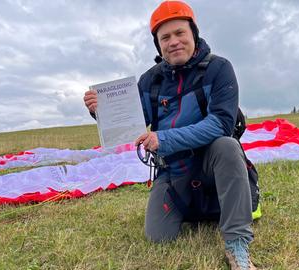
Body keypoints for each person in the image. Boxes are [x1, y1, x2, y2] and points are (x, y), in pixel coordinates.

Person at [84, 1, 256, 269]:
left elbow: (221, 123)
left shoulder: (219, 69)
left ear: (193, 34)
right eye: (165, 37)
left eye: (180, 33)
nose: (173, 41)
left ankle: (236, 242)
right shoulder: (149, 80)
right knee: (158, 237)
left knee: (227, 146)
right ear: (158, 45)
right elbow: (134, 123)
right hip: (174, 171)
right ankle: (208, 209)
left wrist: (163, 140)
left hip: (212, 163)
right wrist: (101, 112)